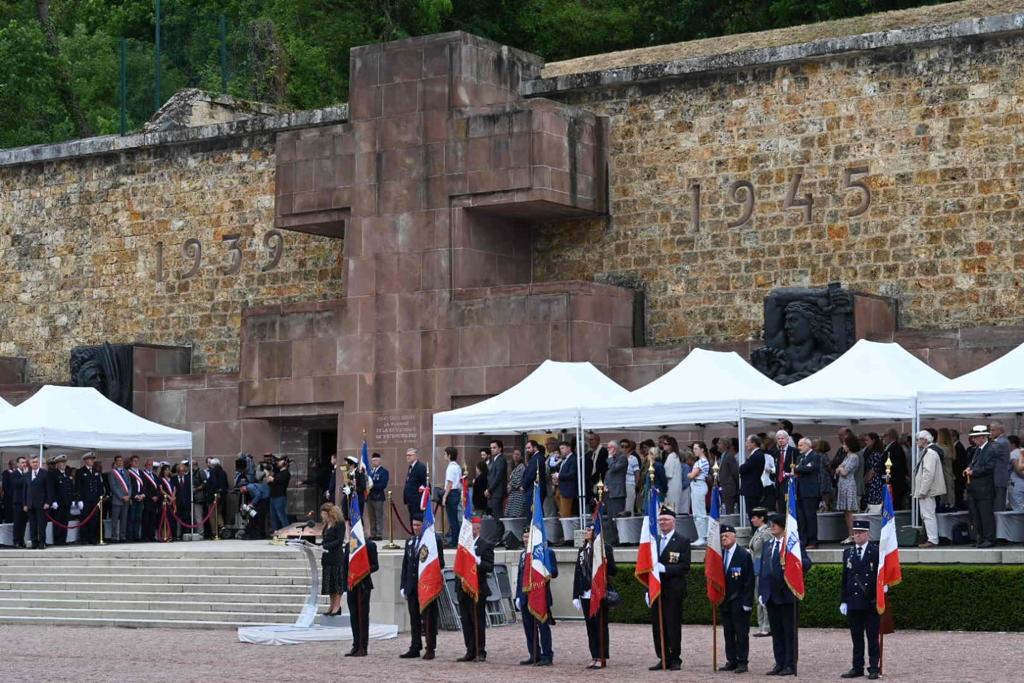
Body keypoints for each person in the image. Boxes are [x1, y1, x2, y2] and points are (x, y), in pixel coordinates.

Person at [758, 512, 812, 676]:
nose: (772, 526)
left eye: (775, 523)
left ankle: (790, 664)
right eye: (770, 524)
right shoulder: (767, 544)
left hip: (787, 594)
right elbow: (763, 570)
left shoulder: (793, 544)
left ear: (783, 526)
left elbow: (807, 563)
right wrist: (762, 591)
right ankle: (779, 662)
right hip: (771, 595)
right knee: (776, 632)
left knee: (789, 632)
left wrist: (795, 563)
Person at [647, 504, 690, 671]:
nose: (662, 522)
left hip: (673, 590)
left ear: (674, 521)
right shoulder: (653, 541)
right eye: (660, 520)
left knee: (672, 625)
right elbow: (647, 569)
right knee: (658, 626)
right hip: (656, 591)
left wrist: (665, 568)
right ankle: (662, 656)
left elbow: (685, 567)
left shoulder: (682, 541)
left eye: (666, 519)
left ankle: (675, 657)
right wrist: (647, 590)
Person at [573, 520, 617, 668]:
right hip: (586, 594)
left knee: (600, 626)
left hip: (598, 593)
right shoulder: (582, 550)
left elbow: (613, 571)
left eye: (590, 530)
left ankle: (602, 656)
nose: (587, 532)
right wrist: (575, 595)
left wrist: (605, 560)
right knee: (590, 627)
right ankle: (594, 655)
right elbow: (577, 573)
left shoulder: (605, 548)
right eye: (586, 530)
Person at [839, 520, 880, 680]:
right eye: (854, 533)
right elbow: (845, 578)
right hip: (853, 601)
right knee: (856, 637)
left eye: (859, 533)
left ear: (867, 534)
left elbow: (880, 574)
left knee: (872, 637)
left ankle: (874, 667)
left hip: (870, 601)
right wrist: (843, 600)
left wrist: (883, 590)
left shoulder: (875, 551)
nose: (856, 535)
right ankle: (857, 667)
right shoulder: (848, 553)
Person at [400, 513, 444, 660]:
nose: (415, 528)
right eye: (413, 525)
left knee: (429, 619)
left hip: (426, 586)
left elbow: (440, 562)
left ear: (424, 526)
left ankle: (430, 647)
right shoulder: (410, 542)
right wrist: (403, 586)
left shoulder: (433, 540)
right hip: (412, 587)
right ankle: (415, 646)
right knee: (414, 619)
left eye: (418, 525)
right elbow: (405, 565)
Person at [516, 527, 558, 666]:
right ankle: (534, 654)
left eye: (528, 537)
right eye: (524, 536)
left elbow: (554, 572)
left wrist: (543, 567)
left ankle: (547, 655)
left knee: (543, 627)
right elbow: (520, 577)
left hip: (540, 596)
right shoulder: (523, 555)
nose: (525, 539)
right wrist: (517, 596)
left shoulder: (547, 553)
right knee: (529, 628)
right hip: (525, 596)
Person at [340, 515, 379, 657]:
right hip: (351, 585)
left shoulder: (369, 545)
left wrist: (363, 570)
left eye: (354, 526)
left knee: (363, 616)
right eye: (350, 527)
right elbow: (344, 566)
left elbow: (376, 565)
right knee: (353, 616)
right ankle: (355, 644)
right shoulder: (349, 545)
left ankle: (363, 646)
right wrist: (345, 586)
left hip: (364, 585)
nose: (351, 529)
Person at [718, 524, 755, 674]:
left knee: (741, 633)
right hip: (725, 600)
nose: (724, 538)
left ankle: (742, 661)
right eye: (722, 536)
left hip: (739, 600)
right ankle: (731, 660)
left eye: (727, 535)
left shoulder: (743, 554)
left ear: (734, 536)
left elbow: (749, 580)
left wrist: (747, 602)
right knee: (728, 632)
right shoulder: (719, 555)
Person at [456, 516, 494, 662]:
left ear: (479, 529)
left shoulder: (486, 545)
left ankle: (480, 650)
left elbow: (489, 566)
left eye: (475, 528)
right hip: (463, 588)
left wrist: (478, 561)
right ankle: (469, 650)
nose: (473, 531)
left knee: (477, 621)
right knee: (466, 622)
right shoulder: (463, 544)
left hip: (478, 588)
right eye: (471, 528)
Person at [965, 425, 998, 547]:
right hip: (976, 488)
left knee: (986, 515)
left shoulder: (991, 449)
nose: (973, 440)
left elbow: (989, 467)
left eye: (975, 437)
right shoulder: (978, 449)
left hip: (985, 488)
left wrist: (974, 472)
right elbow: (975, 463)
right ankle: (981, 538)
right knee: (977, 515)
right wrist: (969, 467)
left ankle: (989, 539)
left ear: (983, 437)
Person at [913, 431, 946, 548]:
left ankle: (932, 539)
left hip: (927, 491)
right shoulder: (929, 452)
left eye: (918, 439)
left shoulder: (930, 453)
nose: (917, 442)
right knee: (927, 514)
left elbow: (928, 473)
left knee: (928, 514)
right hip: (927, 490)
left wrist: (923, 491)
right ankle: (931, 538)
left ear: (925, 440)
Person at [747, 508, 773, 638]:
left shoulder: (767, 532)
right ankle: (761, 624)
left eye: (754, 517)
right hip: (756, 567)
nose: (752, 520)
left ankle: (767, 626)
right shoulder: (758, 532)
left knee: (764, 598)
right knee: (758, 598)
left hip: (763, 569)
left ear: (762, 518)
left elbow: (768, 552)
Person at [793, 437, 822, 549]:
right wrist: (798, 468)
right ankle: (803, 540)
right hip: (799, 490)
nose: (799, 448)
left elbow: (810, 468)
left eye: (801, 445)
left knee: (810, 517)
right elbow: (797, 469)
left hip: (810, 492)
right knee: (801, 517)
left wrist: (798, 468)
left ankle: (813, 541)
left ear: (808, 445)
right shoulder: (800, 457)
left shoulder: (815, 456)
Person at [836, 433, 862, 544]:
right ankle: (850, 534)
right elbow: (838, 469)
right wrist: (840, 468)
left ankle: (853, 535)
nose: (843, 446)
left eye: (845, 444)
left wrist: (840, 468)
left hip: (849, 485)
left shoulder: (854, 457)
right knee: (846, 512)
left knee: (850, 512)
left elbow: (844, 471)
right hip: (843, 485)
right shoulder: (847, 456)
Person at [319, 503, 345, 617]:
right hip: (327, 558)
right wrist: (318, 545)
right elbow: (325, 540)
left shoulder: (339, 524)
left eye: (323, 513)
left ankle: (337, 606)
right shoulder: (326, 525)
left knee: (336, 584)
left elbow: (339, 540)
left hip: (336, 557)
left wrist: (326, 546)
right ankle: (331, 605)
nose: (322, 516)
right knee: (329, 584)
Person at [74, 452, 104, 545]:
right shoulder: (80, 471)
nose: (92, 461)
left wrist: (100, 496)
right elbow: (78, 487)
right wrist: (79, 500)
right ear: (86, 460)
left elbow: (99, 486)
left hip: (94, 500)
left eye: (93, 459)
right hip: (85, 500)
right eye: (90, 459)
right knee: (85, 519)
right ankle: (84, 538)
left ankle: (92, 538)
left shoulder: (96, 471)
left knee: (94, 520)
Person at [22, 455, 50, 549]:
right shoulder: (27, 475)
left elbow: (48, 490)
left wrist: (47, 502)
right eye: (33, 462)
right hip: (30, 504)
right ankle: (34, 543)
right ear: (30, 464)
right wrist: (25, 504)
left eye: (36, 462)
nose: (35, 463)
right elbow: (25, 490)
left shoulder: (44, 473)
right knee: (32, 525)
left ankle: (42, 543)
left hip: (41, 504)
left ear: (39, 463)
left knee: (41, 525)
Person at [47, 454, 75, 546]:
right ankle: (58, 540)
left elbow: (70, 488)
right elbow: (51, 488)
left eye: (64, 462)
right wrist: (53, 501)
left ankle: (63, 539)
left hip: (67, 502)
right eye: (61, 463)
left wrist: (73, 499)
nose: (63, 464)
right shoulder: (53, 474)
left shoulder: (67, 473)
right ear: (57, 464)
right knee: (58, 522)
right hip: (58, 503)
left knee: (65, 522)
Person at [688, 441, 711, 547]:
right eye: (694, 449)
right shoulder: (700, 461)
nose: (694, 450)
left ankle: (703, 536)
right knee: (697, 513)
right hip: (696, 485)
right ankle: (701, 536)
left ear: (702, 449)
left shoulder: (702, 461)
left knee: (699, 513)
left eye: (696, 448)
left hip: (699, 485)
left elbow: (692, 475)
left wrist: (689, 474)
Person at [770, 431, 798, 513]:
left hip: (790, 483)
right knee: (781, 509)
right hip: (779, 484)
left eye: (782, 438)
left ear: (787, 439)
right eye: (778, 439)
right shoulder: (776, 453)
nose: (780, 440)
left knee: (791, 510)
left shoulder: (794, 451)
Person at [882, 428, 910, 508]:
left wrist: (887, 478)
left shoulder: (895, 448)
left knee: (894, 505)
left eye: (885, 435)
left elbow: (896, 467)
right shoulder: (891, 447)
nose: (883, 438)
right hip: (891, 482)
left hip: (894, 483)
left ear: (891, 436)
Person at [740, 435, 766, 516]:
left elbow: (743, 469)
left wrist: (742, 467)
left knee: (753, 513)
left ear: (753, 443)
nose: (746, 444)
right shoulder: (756, 454)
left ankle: (755, 529)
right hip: (752, 488)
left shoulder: (756, 455)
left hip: (752, 488)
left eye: (747, 442)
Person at [442, 447, 463, 546]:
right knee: (454, 518)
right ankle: (456, 539)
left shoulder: (451, 467)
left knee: (452, 518)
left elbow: (449, 483)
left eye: (445, 454)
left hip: (452, 493)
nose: (444, 456)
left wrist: (445, 496)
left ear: (449, 455)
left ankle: (455, 540)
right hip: (456, 492)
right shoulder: (457, 466)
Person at [485, 440, 508, 527]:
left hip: (497, 492)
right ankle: (498, 535)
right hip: (494, 492)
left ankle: (500, 537)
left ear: (500, 449)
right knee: (496, 516)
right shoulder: (494, 459)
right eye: (491, 448)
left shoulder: (501, 460)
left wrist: (490, 489)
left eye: (494, 447)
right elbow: (491, 476)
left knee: (498, 516)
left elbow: (498, 477)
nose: (492, 449)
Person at [989, 421, 1011, 512]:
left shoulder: (1000, 442)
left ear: (1000, 431)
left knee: (998, 506)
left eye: (993, 430)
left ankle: (999, 525)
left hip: (998, 478)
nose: (991, 432)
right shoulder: (999, 441)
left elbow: (989, 452)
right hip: (997, 478)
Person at [107, 455, 130, 543]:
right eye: (118, 461)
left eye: (121, 460)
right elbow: (113, 487)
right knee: (115, 520)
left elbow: (129, 485)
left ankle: (122, 536)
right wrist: (122, 496)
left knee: (124, 519)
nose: (120, 462)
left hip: (126, 499)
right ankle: (114, 536)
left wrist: (128, 495)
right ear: (115, 462)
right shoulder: (112, 473)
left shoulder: (126, 472)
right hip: (117, 499)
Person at [554, 440, 579, 518]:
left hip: (568, 491)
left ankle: (567, 529)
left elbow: (571, 474)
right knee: (561, 513)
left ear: (569, 448)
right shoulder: (564, 459)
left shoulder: (573, 459)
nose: (561, 450)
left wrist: (559, 476)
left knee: (565, 514)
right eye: (560, 448)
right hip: (561, 489)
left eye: (563, 448)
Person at [522, 440, 547, 516]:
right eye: (526, 448)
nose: (527, 450)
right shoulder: (535, 457)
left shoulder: (537, 458)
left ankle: (534, 527)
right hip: (533, 488)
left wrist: (523, 485)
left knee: (534, 512)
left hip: (534, 488)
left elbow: (531, 474)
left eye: (529, 448)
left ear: (535, 447)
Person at [367, 452, 389, 541]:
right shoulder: (370, 471)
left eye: (376, 460)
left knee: (378, 516)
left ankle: (379, 534)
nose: (374, 462)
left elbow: (383, 485)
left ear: (379, 460)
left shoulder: (384, 471)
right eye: (372, 460)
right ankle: (373, 534)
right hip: (369, 497)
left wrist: (372, 486)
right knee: (371, 516)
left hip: (378, 496)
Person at [403, 448, 428, 523]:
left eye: (410, 455)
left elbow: (425, 483)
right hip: (410, 500)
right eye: (407, 455)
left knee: (417, 519)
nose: (407, 457)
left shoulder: (420, 467)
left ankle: (418, 534)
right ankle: (414, 534)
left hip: (417, 500)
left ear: (415, 456)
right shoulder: (411, 467)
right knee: (412, 518)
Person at [863, 434, 885, 513]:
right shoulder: (875, 453)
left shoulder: (875, 454)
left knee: (873, 504)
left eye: (867, 440)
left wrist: (864, 482)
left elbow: (872, 471)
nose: (865, 442)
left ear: (873, 440)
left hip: (873, 482)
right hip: (874, 481)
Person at [268, 455, 291, 532]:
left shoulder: (286, 473)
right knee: (273, 517)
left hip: (280, 497)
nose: (278, 462)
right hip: (273, 496)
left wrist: (273, 479)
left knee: (281, 515)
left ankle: (287, 533)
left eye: (280, 461)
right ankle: (276, 533)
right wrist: (270, 480)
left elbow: (280, 481)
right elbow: (272, 482)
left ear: (285, 462)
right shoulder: (278, 472)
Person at [125, 455, 145, 542]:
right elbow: (128, 486)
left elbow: (144, 485)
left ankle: (136, 536)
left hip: (141, 498)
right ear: (131, 462)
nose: (136, 462)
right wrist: (135, 495)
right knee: (131, 518)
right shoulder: (128, 472)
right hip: (132, 498)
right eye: (134, 461)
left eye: (137, 461)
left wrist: (143, 495)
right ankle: (130, 536)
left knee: (138, 518)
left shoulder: (141, 472)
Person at [937, 428, 958, 508]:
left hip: (943, 473)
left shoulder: (941, 448)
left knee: (944, 495)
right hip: (949, 473)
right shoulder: (950, 448)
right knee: (950, 492)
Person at [719, 439, 740, 514]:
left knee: (729, 508)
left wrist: (736, 484)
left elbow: (735, 471)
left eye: (720, 443)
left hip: (729, 487)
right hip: (723, 486)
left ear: (725, 445)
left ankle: (730, 523)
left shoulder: (729, 456)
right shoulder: (723, 456)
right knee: (726, 507)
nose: (718, 445)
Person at [662, 435, 683, 512]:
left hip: (671, 487)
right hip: (674, 487)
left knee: (670, 510)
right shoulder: (675, 456)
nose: (663, 445)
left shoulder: (671, 456)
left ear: (671, 446)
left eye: (665, 443)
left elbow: (668, 474)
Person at [506, 448, 528, 518]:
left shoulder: (522, 467)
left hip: (518, 495)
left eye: (518, 454)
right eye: (514, 454)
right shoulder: (514, 467)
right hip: (513, 494)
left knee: (517, 515)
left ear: (521, 457)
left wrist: (510, 485)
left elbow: (517, 480)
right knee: (511, 514)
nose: (515, 456)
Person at [623, 440, 640, 515]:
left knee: (629, 505)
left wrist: (636, 485)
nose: (624, 448)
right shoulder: (619, 457)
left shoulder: (633, 458)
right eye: (622, 446)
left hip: (630, 483)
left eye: (626, 446)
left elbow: (637, 472)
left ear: (630, 448)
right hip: (621, 484)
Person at [1009, 435, 1024, 512]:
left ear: (1012, 444)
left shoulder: (1013, 454)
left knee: (1018, 509)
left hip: (1016, 484)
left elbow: (1017, 469)